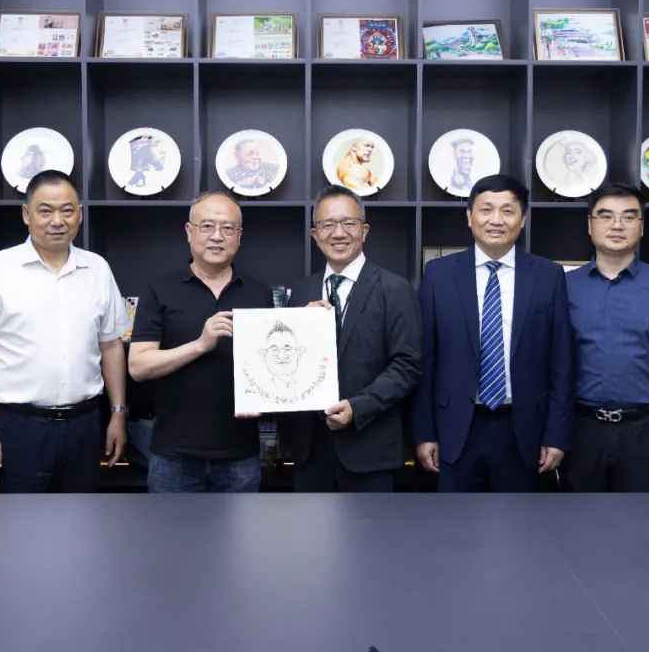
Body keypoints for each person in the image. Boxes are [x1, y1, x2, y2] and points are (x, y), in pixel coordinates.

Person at [0, 170, 130, 493]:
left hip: (84, 426)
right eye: (45, 211)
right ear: (26, 214)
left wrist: (118, 413)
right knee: (15, 520)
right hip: (17, 428)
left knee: (82, 518)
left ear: (80, 214)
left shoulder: (97, 269)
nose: (57, 221)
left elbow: (111, 346)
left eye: (67, 210)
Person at [413, 174, 573, 492]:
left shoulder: (549, 275)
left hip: (524, 428)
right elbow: (425, 359)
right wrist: (424, 433)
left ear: (522, 219)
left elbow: (562, 362)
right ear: (469, 217)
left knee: (518, 521)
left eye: (508, 210)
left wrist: (556, 435)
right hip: (455, 426)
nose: (496, 220)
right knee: (453, 521)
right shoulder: (439, 274)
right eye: (486, 209)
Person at [127, 191, 273, 492]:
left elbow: (269, 367)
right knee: (172, 527)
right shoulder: (159, 290)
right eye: (207, 226)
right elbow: (138, 367)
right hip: (173, 454)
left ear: (239, 236)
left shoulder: (259, 294)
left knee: (244, 526)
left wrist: (265, 400)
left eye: (227, 228)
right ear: (189, 231)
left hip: (240, 453)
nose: (217, 236)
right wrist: (199, 345)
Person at [281, 185, 422, 492]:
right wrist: (298, 329)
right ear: (315, 235)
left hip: (370, 447)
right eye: (327, 225)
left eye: (349, 223)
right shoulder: (301, 291)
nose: (338, 233)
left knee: (370, 526)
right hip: (310, 452)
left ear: (364, 230)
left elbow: (407, 366)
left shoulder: (395, 289)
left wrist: (358, 407)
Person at [563, 184, 649, 492]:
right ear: (590, 224)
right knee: (575, 517)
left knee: (647, 519)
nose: (617, 225)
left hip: (647, 429)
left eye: (628, 217)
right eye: (606, 216)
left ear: (641, 226)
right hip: (581, 429)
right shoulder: (563, 287)